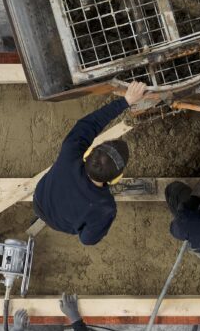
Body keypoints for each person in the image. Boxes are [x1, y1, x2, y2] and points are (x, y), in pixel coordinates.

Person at [32, 81, 147, 245]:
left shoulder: (70, 152)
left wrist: (126, 100)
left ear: (88, 153)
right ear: (115, 179)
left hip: (40, 201)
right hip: (61, 224)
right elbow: (87, 239)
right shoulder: (104, 208)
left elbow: (90, 123)